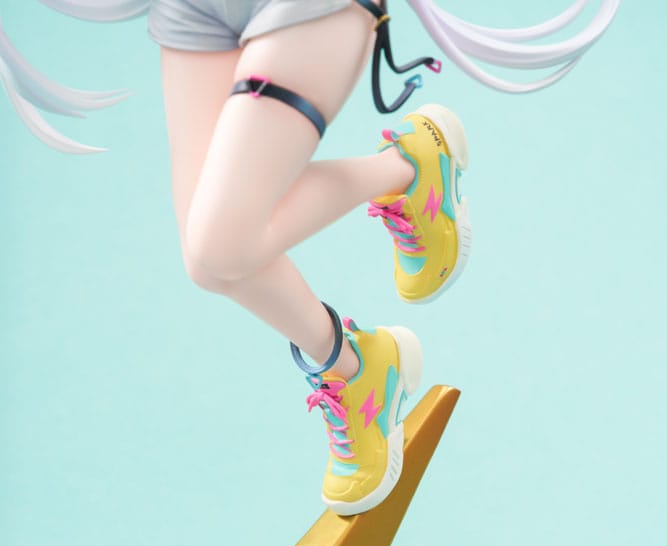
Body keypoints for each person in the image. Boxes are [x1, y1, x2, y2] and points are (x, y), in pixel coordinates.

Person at [0, 0, 620, 514]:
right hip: (192, 9)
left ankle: (408, 168)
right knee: (208, 261)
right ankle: (356, 367)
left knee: (223, 241)